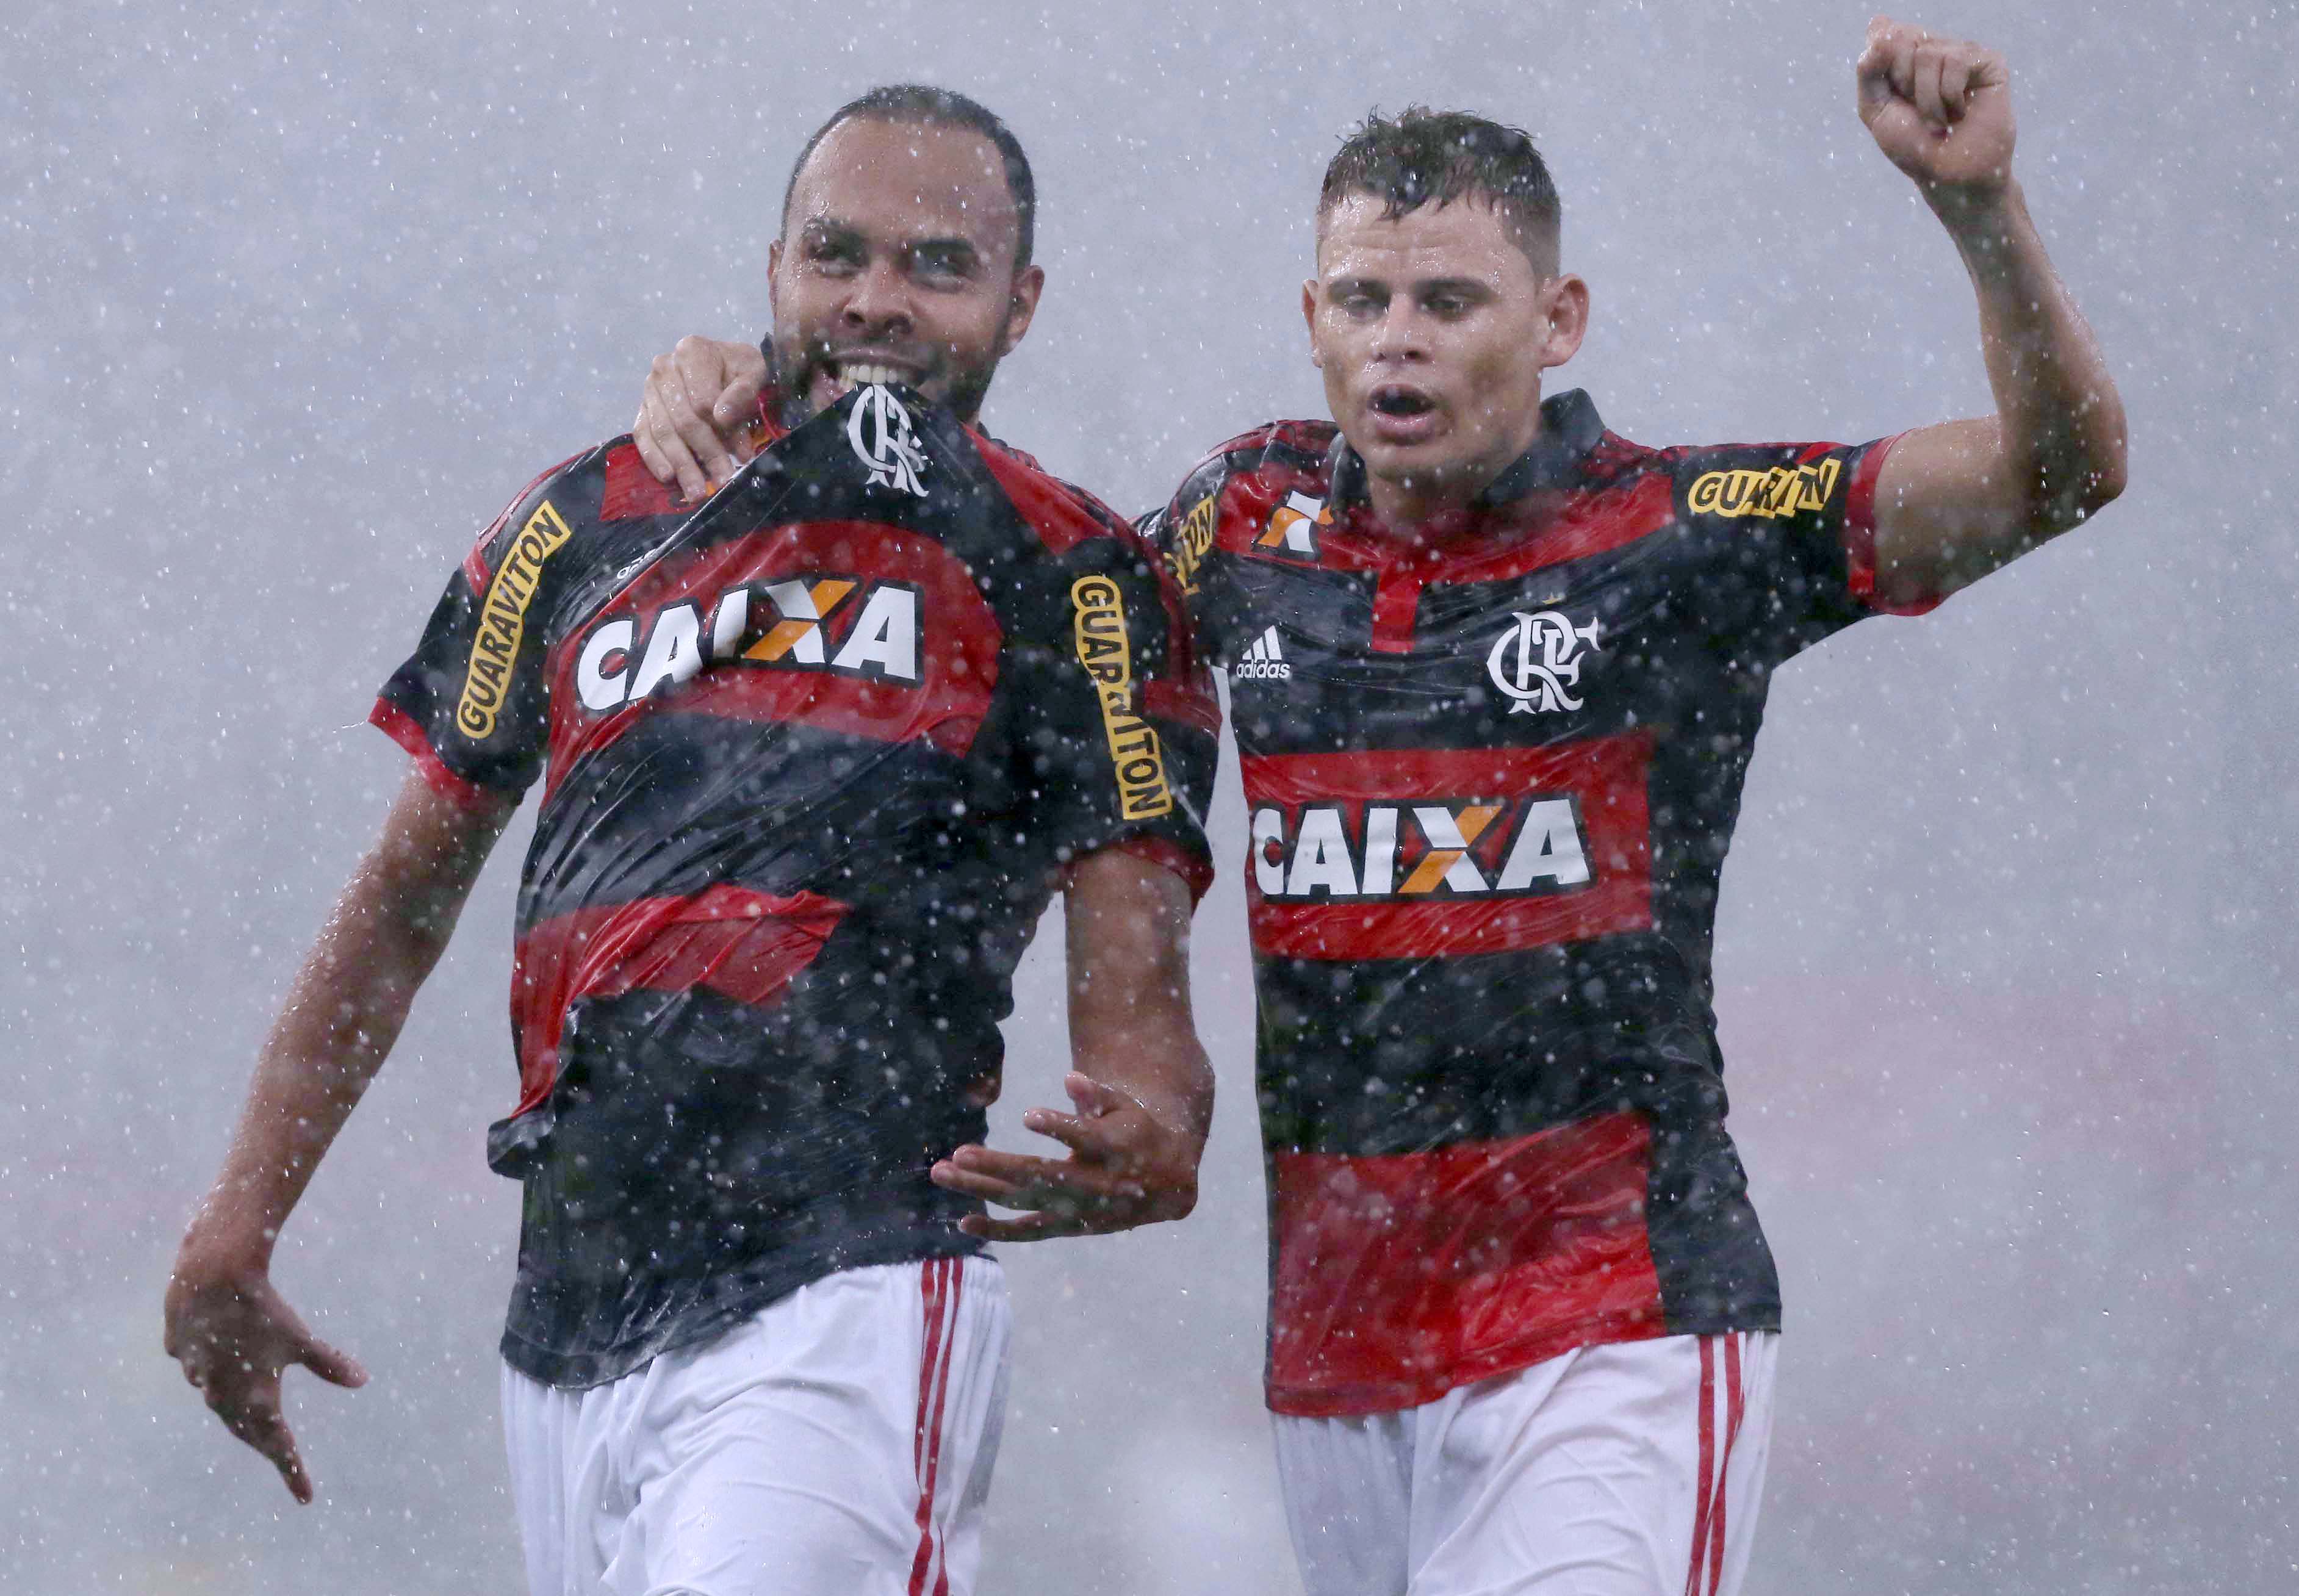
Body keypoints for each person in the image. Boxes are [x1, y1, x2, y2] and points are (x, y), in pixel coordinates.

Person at [635, 19, 2126, 1596]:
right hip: (1341, 1357)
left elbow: (2060, 475)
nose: (1398, 341)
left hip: (1615, 1329)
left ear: (1556, 320)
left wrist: (1984, 215)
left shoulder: (1684, 535)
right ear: (1313, 318)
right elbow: (1020, 629)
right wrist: (781, 393)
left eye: (1449, 301)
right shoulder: (1238, 528)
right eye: (1364, 300)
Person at [164, 86, 1224, 1596]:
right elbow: (404, 907)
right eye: (836, 253)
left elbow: (1141, 1015)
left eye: (937, 265)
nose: (875, 299)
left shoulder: (1078, 574)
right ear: (771, 266)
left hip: (846, 1283)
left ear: (1023, 302)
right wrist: (237, 1222)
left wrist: (1151, 1125)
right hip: (566, 1324)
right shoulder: (585, 520)